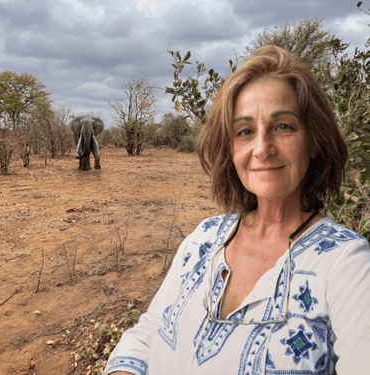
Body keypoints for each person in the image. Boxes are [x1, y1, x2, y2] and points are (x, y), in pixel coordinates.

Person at [103, 45, 370, 375]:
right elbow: (144, 339)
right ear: (230, 148)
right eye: (245, 131)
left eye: (283, 126)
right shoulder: (203, 238)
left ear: (314, 140)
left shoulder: (346, 265)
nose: (262, 148)